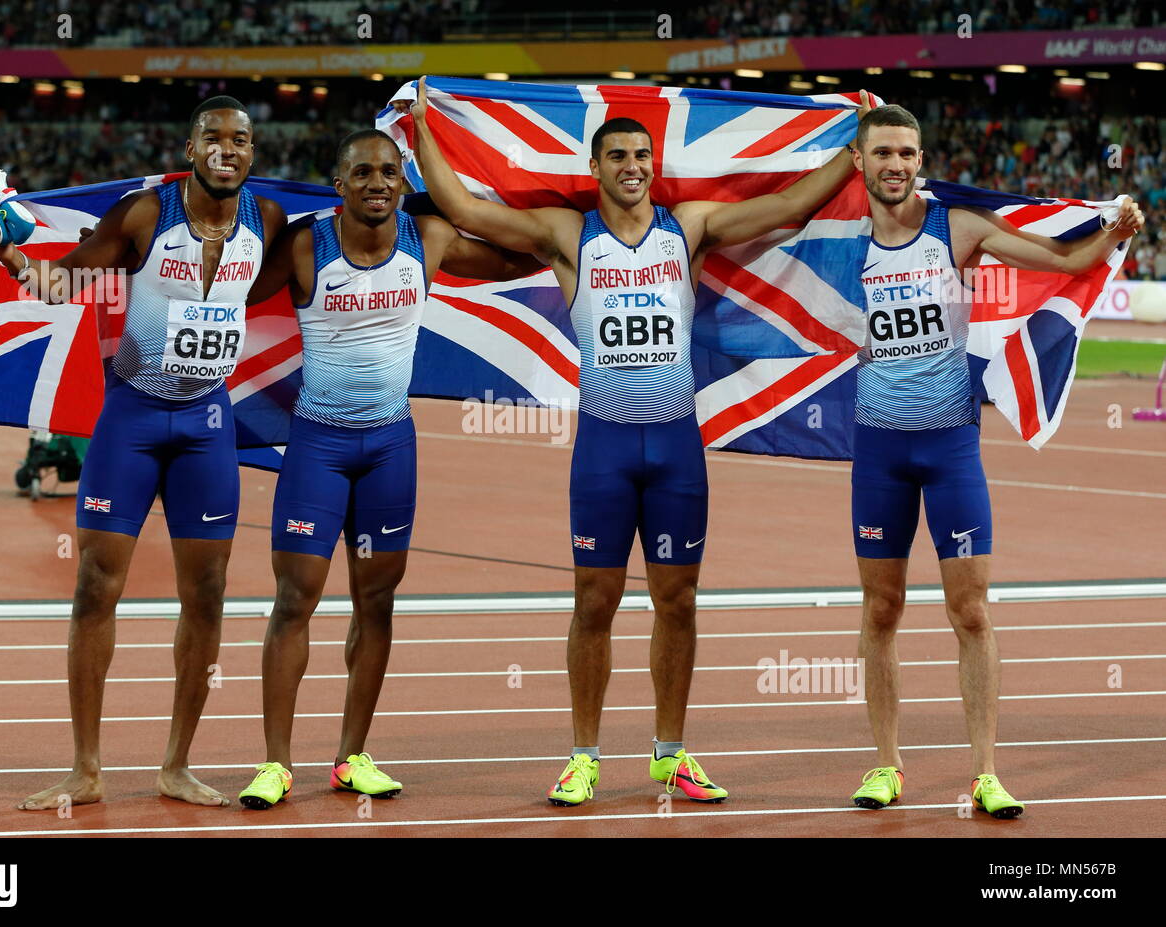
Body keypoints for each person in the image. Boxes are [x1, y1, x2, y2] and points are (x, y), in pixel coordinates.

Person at [411, 78, 872, 806]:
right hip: (604, 446)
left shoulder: (686, 226)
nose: (632, 165)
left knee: (678, 602)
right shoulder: (568, 234)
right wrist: (421, 128)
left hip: (675, 447)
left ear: (654, 166)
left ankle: (670, 752)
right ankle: (584, 754)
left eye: (642, 155)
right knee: (592, 602)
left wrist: (853, 154)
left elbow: (787, 206)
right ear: (594, 167)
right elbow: (467, 209)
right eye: (618, 154)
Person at [0, 96, 286, 809]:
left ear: (253, 153)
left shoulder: (265, 222)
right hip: (133, 419)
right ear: (191, 144)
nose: (227, 148)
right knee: (93, 585)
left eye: (241, 139)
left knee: (207, 595)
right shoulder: (149, 214)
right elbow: (68, 281)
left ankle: (176, 764)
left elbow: (276, 287)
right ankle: (86, 767)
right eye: (214, 136)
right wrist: (8, 253)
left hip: (208, 422)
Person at [846, 104, 1144, 818]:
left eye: (907, 153)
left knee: (971, 610)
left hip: (951, 445)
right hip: (878, 449)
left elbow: (1066, 260)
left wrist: (1116, 226)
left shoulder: (959, 227)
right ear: (858, 161)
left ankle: (985, 772)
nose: (895, 164)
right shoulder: (839, 242)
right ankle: (885, 765)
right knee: (881, 607)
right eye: (882, 151)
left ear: (922, 160)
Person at [236, 128, 541, 808]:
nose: (378, 181)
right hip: (317, 445)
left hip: (389, 450)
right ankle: (275, 763)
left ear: (404, 182)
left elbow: (516, 260)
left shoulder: (426, 239)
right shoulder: (308, 245)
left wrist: (563, 230)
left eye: (389, 172)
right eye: (363, 172)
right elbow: (228, 292)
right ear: (338, 183)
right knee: (295, 598)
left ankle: (351, 756)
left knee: (376, 601)